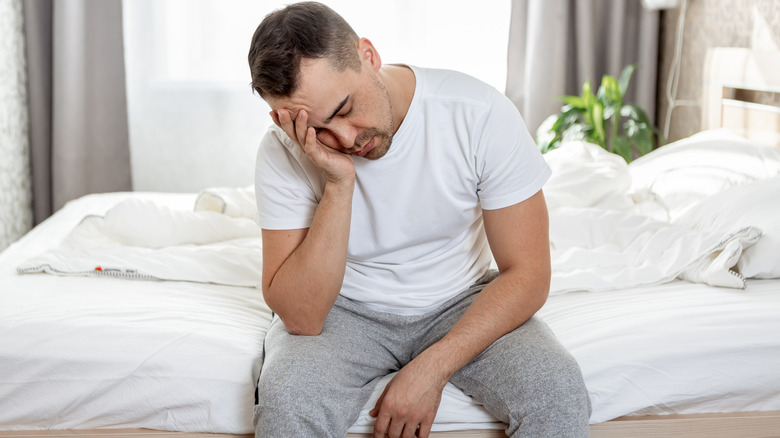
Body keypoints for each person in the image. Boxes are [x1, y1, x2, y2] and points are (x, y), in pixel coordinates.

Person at [247, 2, 590, 437]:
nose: (347, 139)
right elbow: (302, 318)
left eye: (345, 108)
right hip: (344, 313)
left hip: (460, 301)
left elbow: (529, 274)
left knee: (557, 389)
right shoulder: (282, 151)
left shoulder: (477, 113)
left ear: (368, 55)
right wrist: (337, 184)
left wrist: (432, 368)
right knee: (287, 399)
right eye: (319, 131)